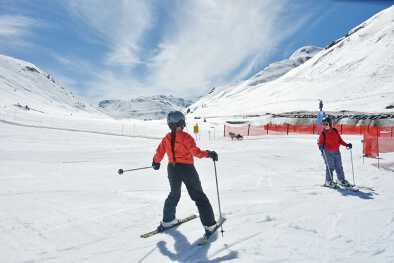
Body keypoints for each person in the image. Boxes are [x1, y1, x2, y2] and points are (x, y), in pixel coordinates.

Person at [152, 111, 219, 236]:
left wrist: (155, 162)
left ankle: (168, 220)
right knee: (198, 196)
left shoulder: (167, 138)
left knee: (174, 194)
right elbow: (196, 152)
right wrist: (209, 153)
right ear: (181, 123)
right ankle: (210, 225)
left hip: (172, 169)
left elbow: (159, 152)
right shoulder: (186, 137)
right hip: (187, 169)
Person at [317, 116, 352, 187]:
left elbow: (340, 140)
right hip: (327, 152)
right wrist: (321, 147)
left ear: (330, 124)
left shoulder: (335, 131)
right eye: (323, 124)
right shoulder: (323, 133)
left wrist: (346, 144)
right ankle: (328, 181)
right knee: (330, 166)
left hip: (336, 151)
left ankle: (341, 180)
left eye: (326, 124)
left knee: (339, 166)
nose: (324, 126)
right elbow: (320, 142)